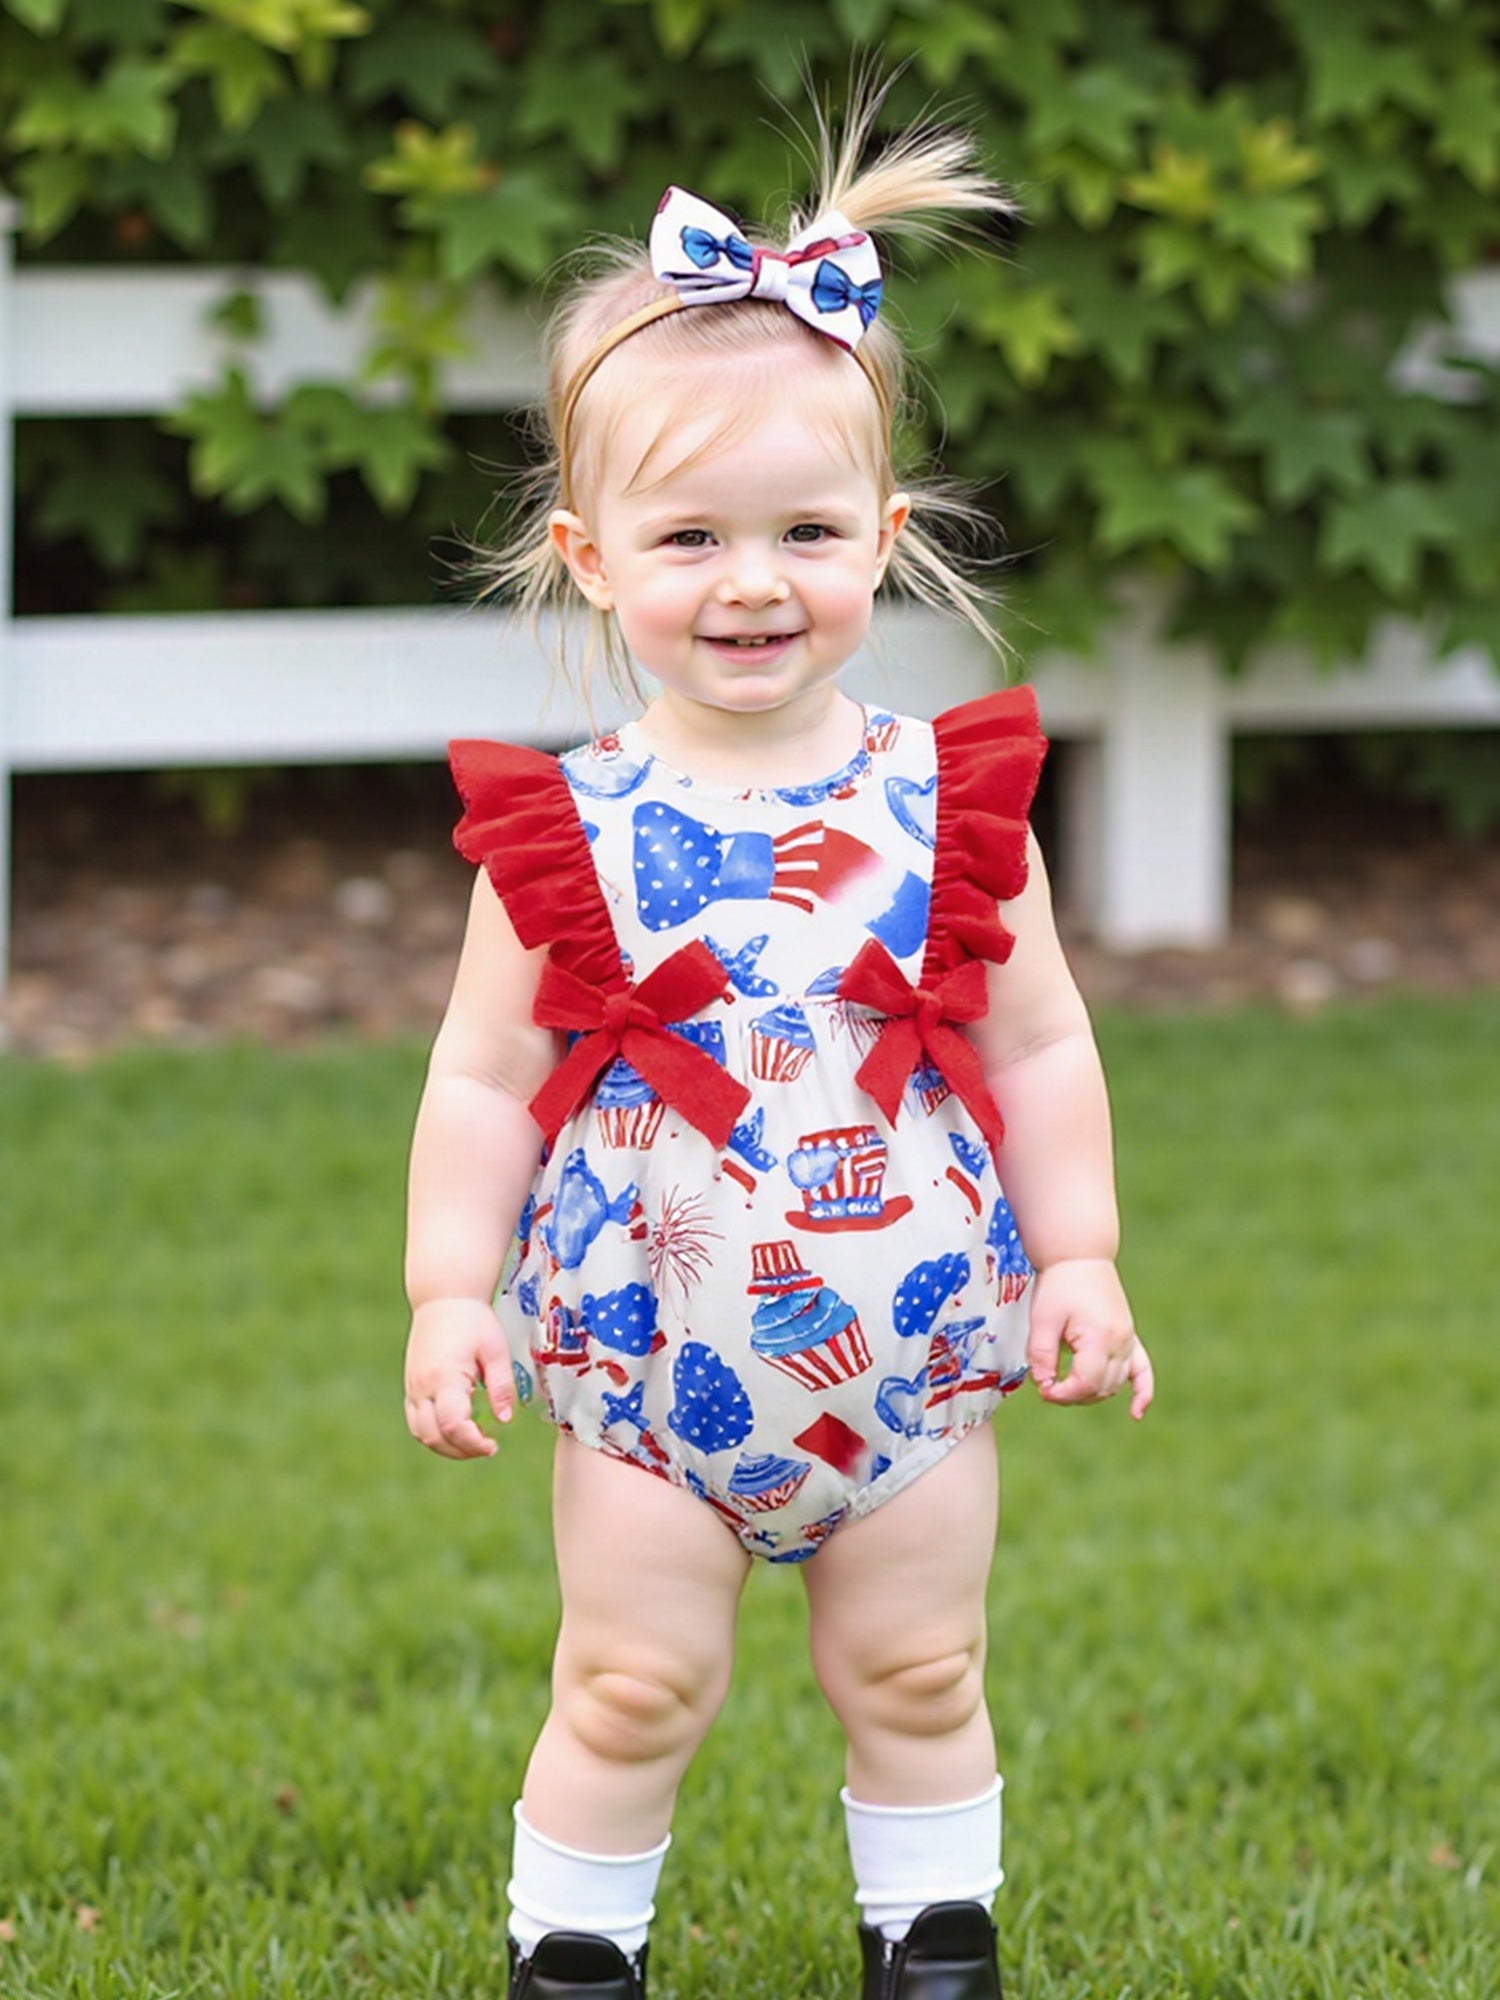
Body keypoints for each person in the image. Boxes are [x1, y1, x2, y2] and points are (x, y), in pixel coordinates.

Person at [403, 98, 1154, 2000]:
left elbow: (1043, 1039)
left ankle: (937, 1946)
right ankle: (574, 1954)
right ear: (588, 555)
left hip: (905, 1343)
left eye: (808, 531)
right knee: (632, 1676)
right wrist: (445, 1290)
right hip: (652, 1357)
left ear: (884, 539)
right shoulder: (568, 833)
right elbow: (484, 1075)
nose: (754, 581)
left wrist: (1080, 1255)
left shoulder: (946, 802)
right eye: (693, 537)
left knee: (920, 1667)